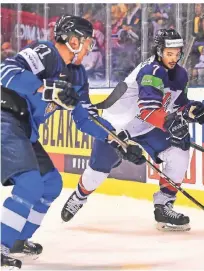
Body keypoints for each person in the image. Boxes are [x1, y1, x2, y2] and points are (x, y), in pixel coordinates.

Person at [0, 15, 145, 269]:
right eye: (88, 42)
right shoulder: (45, 53)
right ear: (74, 40)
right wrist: (44, 88)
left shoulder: (77, 77)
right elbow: (5, 71)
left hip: (24, 129)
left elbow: (87, 119)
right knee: (30, 183)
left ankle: (16, 241)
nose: (90, 48)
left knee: (50, 184)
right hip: (5, 118)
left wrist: (121, 142)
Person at [61, 29, 204, 232]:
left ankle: (164, 205)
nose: (173, 58)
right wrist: (171, 123)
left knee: (179, 148)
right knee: (97, 171)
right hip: (118, 125)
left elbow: (177, 104)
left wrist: (191, 110)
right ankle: (79, 196)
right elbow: (148, 111)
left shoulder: (180, 74)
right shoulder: (151, 71)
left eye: (177, 53)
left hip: (147, 125)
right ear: (159, 51)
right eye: (169, 53)